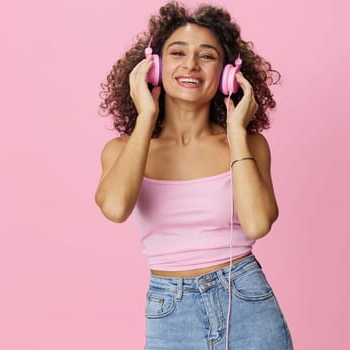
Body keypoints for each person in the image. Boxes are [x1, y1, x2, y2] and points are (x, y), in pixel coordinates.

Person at [96, 1, 292, 349]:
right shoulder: (123, 151)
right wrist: (145, 118)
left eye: (207, 56)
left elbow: (258, 224)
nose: (191, 65)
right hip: (170, 311)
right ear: (153, 67)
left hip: (246, 301)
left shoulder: (248, 145)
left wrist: (235, 133)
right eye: (177, 52)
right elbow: (114, 207)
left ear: (227, 73)